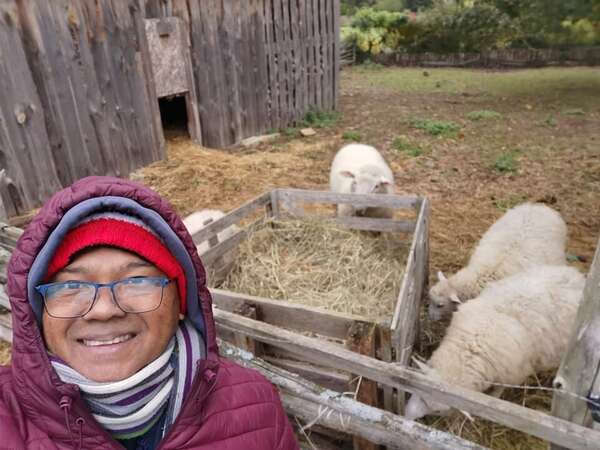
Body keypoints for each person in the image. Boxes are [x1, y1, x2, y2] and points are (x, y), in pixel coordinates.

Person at [0, 176, 299, 449]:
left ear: (181, 303)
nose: (104, 310)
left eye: (138, 281)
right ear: (39, 312)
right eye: (70, 286)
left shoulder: (259, 411)